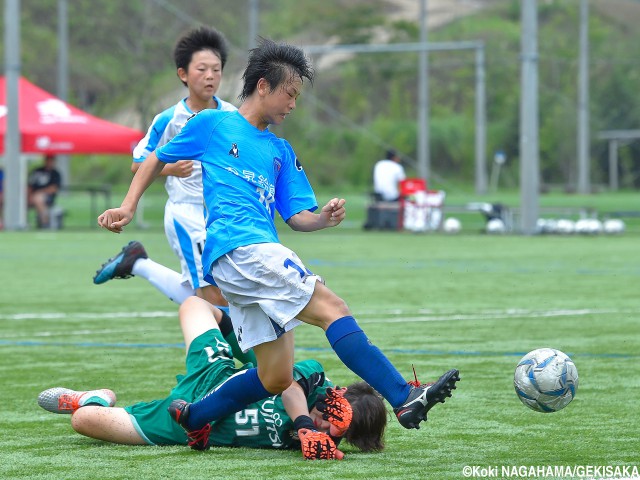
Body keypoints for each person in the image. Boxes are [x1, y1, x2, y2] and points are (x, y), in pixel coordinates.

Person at [97, 37, 459, 449]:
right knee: (332, 309)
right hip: (242, 248)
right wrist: (128, 206)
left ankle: (194, 418)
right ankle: (402, 396)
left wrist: (322, 218)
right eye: (290, 93)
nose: (293, 104)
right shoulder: (214, 123)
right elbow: (154, 157)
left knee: (276, 377)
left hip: (244, 261)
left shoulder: (280, 151)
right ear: (264, 85)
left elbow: (297, 216)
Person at [37, 296, 386, 459]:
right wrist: (304, 424)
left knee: (82, 420)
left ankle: (97, 396)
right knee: (193, 305)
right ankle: (244, 339)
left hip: (181, 426)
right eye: (331, 421)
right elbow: (289, 389)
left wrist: (315, 442)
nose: (325, 432)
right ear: (335, 398)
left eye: (338, 436)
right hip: (214, 375)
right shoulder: (312, 379)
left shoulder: (323, 447)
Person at [93, 26, 236, 307]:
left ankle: (138, 264)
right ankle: (217, 347)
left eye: (217, 69)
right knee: (212, 293)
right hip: (186, 212)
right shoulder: (169, 119)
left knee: (220, 292)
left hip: (222, 213)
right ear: (183, 74)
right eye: (202, 69)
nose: (210, 76)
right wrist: (170, 168)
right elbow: (138, 162)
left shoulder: (232, 115)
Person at [27, 154, 61, 228]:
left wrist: (39, 192)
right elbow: (30, 185)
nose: (49, 162)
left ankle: (45, 222)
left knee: (38, 198)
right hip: (32, 195)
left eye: (51, 161)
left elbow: (54, 188)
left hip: (47, 197)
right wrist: (29, 195)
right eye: (48, 160)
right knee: (21, 200)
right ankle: (23, 222)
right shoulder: (37, 171)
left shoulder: (55, 173)